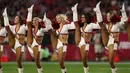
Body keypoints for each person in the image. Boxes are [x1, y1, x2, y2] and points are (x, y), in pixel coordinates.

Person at [93, 2, 128, 73]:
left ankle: (114, 71)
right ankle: (98, 10)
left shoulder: (117, 24)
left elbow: (125, 23)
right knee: (102, 25)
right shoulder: (106, 25)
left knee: (111, 61)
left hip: (114, 42)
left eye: (109, 16)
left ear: (112, 16)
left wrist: (123, 12)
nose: (107, 17)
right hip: (107, 41)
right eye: (107, 16)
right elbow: (99, 24)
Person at [71, 3, 100, 73]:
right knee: (77, 26)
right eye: (81, 17)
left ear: (87, 18)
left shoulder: (91, 25)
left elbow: (99, 25)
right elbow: (75, 24)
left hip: (86, 43)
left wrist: (98, 13)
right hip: (79, 41)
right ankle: (74, 11)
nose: (81, 18)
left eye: (83, 17)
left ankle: (86, 71)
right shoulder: (80, 27)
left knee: (84, 60)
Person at [2, 7, 27, 73]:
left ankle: (20, 71)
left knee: (18, 60)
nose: (15, 19)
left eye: (16, 18)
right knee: (9, 31)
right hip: (13, 43)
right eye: (15, 18)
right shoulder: (12, 27)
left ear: (19, 20)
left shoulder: (23, 27)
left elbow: (29, 27)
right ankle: (5, 14)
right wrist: (5, 16)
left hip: (20, 44)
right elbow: (7, 26)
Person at [26, 5, 49, 73]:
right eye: (33, 20)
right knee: (29, 27)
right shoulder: (31, 28)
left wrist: (46, 21)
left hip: (37, 45)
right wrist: (30, 13)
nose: (34, 21)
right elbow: (28, 23)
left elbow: (48, 29)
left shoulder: (42, 29)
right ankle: (29, 11)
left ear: (39, 22)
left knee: (37, 61)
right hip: (30, 44)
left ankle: (40, 71)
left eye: (36, 20)